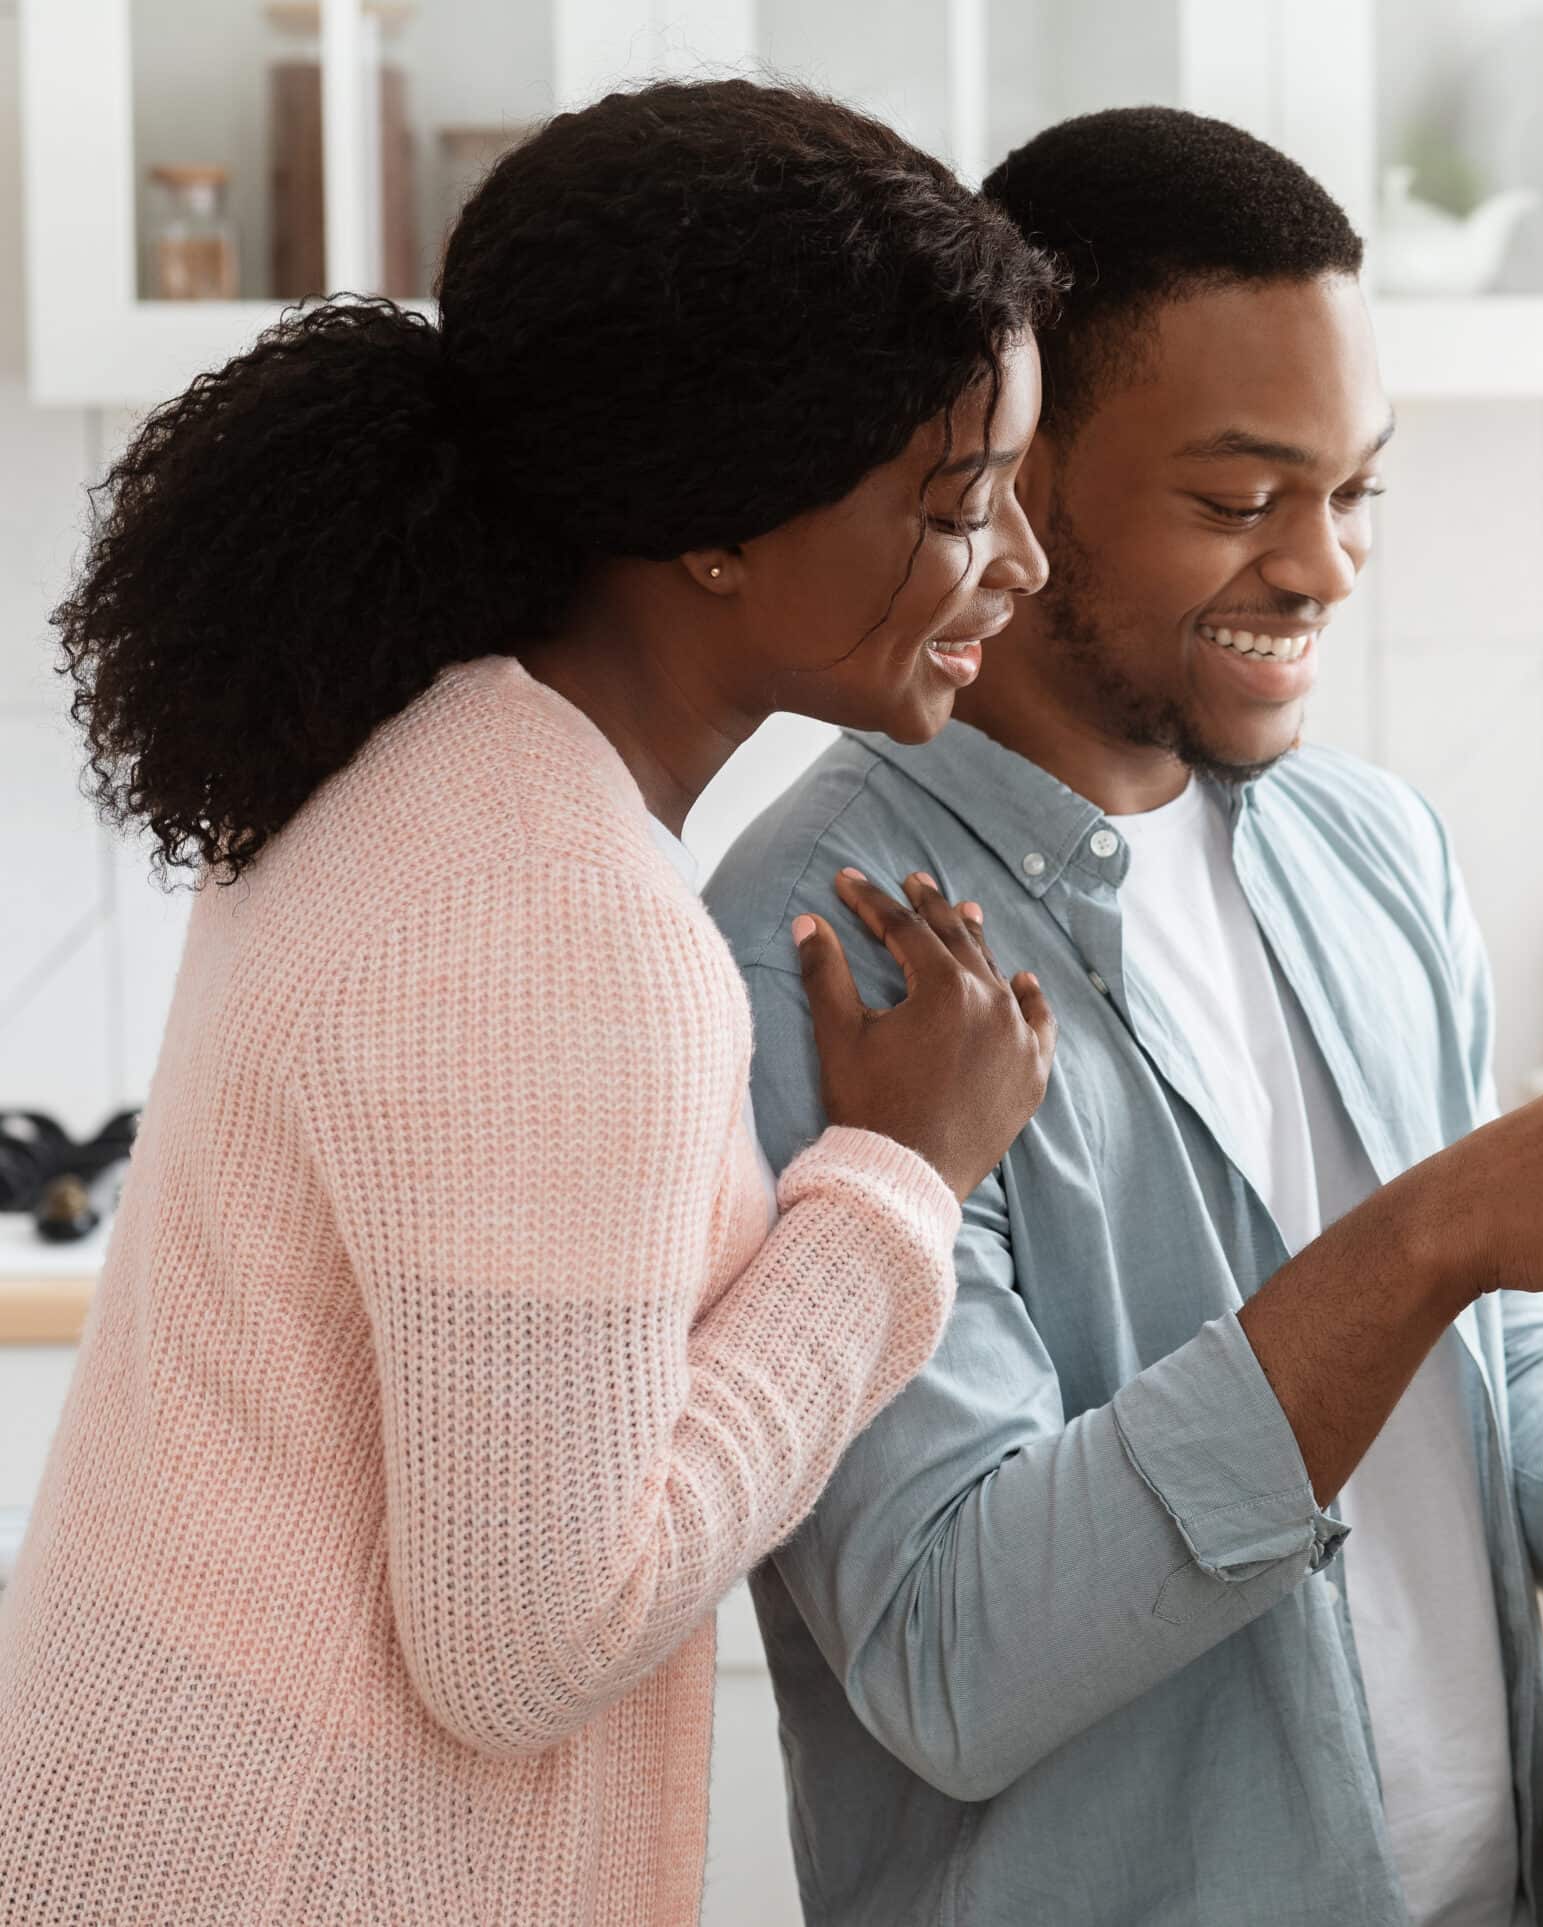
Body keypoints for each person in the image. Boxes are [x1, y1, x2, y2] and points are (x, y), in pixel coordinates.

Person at [703, 107, 1543, 1927]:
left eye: (1352, 495)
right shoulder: (825, 950)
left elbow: (1489, 1402)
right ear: (1012, 487)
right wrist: (1433, 1237)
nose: (1325, 568)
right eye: (1238, 500)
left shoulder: (1371, 850)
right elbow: (954, 1658)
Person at [0, 81, 1060, 1926]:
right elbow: (528, 1639)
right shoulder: (556, 920)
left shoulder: (426, 750)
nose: (1019, 566)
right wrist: (896, 1187)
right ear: (719, 523)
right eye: (958, 501)